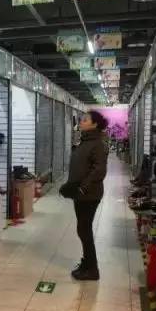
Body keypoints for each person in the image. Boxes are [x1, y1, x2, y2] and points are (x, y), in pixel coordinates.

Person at [61, 111, 109, 280]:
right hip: (80, 193)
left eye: (85, 119)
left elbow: (99, 170)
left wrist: (82, 188)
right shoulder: (85, 141)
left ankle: (92, 269)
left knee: (84, 230)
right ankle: (87, 263)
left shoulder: (98, 144)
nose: (81, 121)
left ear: (94, 124)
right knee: (83, 229)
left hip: (89, 195)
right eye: (82, 119)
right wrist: (71, 186)